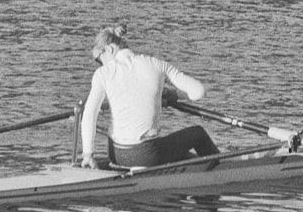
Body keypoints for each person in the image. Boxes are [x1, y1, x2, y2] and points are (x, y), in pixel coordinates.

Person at [79, 25, 220, 169]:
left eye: (98, 59)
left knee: (180, 154)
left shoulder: (102, 74)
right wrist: (175, 94)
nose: (100, 64)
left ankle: (198, 166)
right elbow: (199, 92)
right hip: (145, 156)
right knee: (198, 133)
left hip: (116, 155)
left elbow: (89, 114)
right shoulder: (156, 64)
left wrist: (87, 155)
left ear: (109, 49)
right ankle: (222, 169)